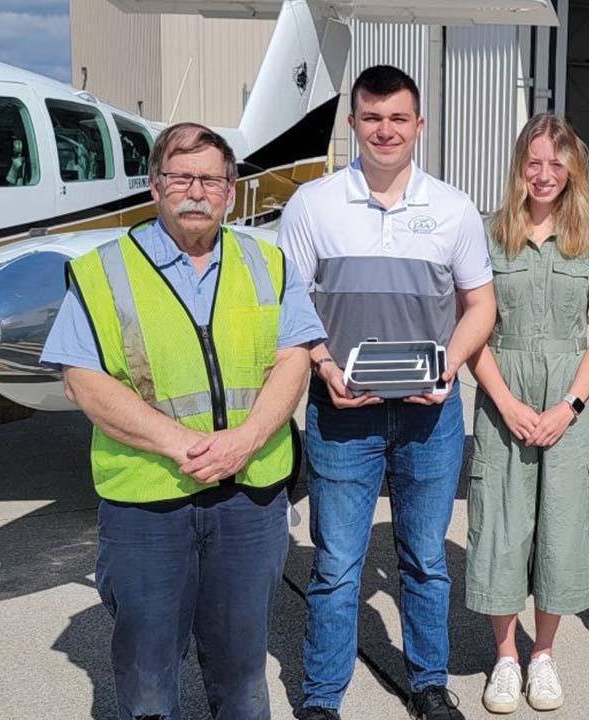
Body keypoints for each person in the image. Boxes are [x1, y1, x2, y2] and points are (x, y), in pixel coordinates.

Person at [40, 122, 324, 719]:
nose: (195, 190)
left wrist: (244, 442)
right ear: (153, 186)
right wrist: (187, 445)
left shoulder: (268, 264)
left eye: (211, 179)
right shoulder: (103, 270)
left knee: (244, 673)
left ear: (231, 189)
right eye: (180, 176)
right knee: (147, 678)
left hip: (248, 501)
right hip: (148, 506)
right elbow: (83, 382)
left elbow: (294, 359)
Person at [278, 65, 496, 720]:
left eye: (398, 118)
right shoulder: (312, 206)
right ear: (352, 125)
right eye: (372, 118)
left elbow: (481, 306)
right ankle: (321, 698)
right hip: (343, 412)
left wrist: (449, 365)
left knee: (425, 561)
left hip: (430, 417)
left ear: (419, 125)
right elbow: (286, 303)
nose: (385, 130)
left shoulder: (453, 208)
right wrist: (320, 363)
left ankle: (428, 684)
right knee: (339, 564)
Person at [465, 113, 589, 714]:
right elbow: (473, 329)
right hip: (500, 397)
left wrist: (570, 406)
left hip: (569, 405)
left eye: (557, 164)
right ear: (518, 167)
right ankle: (506, 657)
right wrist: (505, 403)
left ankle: (543, 656)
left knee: (561, 530)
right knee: (502, 528)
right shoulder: (488, 236)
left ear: (573, 171)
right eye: (534, 162)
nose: (544, 174)